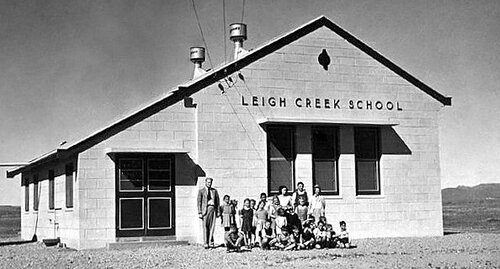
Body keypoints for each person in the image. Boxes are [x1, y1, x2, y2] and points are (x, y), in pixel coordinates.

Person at [197, 177, 220, 249]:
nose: (209, 184)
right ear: (205, 182)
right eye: (208, 182)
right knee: (205, 227)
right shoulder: (201, 191)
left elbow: (217, 202)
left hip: (212, 209)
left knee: (212, 226)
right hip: (205, 210)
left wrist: (218, 211)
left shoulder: (214, 191)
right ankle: (205, 243)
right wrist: (200, 212)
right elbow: (199, 202)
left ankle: (211, 242)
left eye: (210, 182)